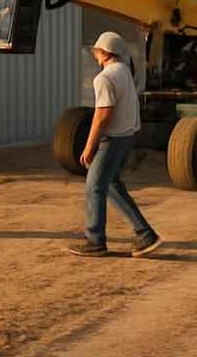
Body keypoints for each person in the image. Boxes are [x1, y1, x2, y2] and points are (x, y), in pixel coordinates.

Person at [67, 31, 164, 258]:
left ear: (104, 52)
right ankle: (146, 235)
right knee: (110, 184)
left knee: (94, 186)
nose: (94, 55)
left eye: (96, 51)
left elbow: (102, 115)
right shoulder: (124, 73)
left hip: (112, 140)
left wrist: (90, 146)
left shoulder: (104, 78)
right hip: (127, 136)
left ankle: (95, 240)